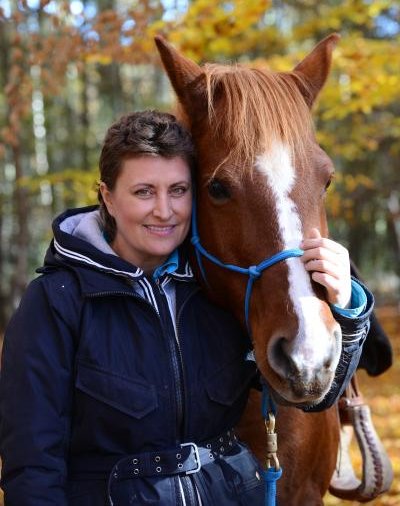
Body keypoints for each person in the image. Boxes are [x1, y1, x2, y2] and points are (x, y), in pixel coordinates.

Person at [0, 111, 373, 505]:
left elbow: (311, 393)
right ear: (108, 197)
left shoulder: (211, 292)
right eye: (144, 192)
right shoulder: (56, 301)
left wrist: (346, 308)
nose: (164, 210)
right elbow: (32, 465)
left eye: (178, 190)